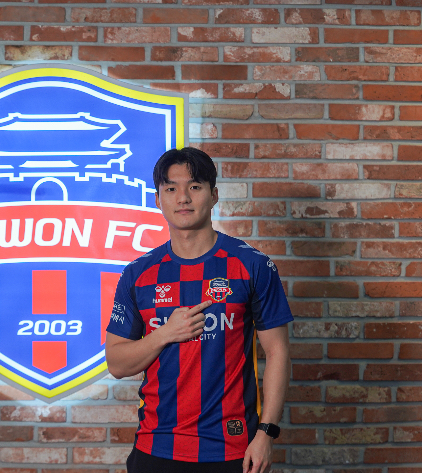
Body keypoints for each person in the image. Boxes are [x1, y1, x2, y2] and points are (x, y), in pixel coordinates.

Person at [105, 147, 292, 473]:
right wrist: (164, 334)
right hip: (156, 445)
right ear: (158, 199)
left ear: (213, 195)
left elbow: (278, 352)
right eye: (171, 189)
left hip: (233, 447)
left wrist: (266, 433)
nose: (183, 198)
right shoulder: (138, 274)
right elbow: (117, 363)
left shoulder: (252, 265)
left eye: (194, 186)